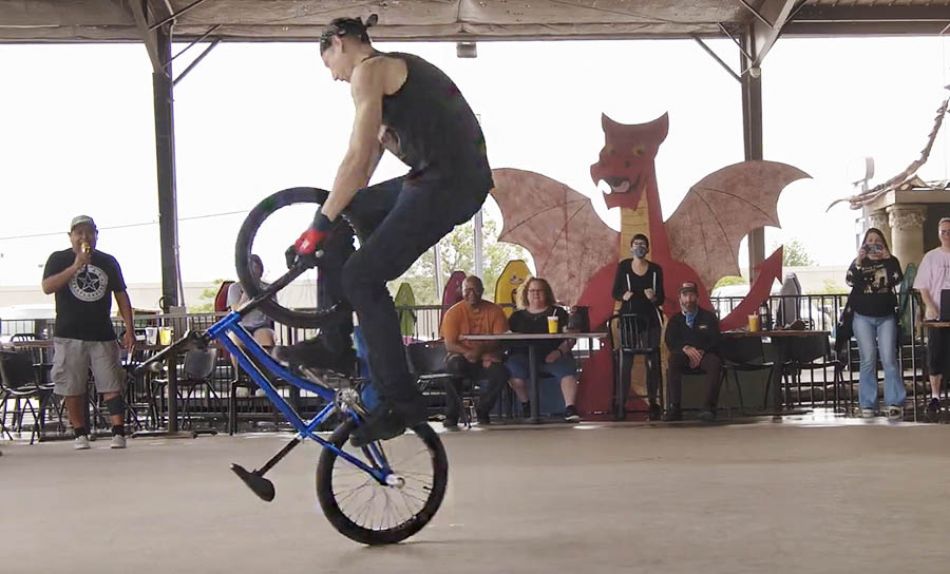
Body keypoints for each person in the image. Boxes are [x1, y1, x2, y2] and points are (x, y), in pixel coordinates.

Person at [282, 15, 493, 446]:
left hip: (446, 181)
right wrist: (331, 222)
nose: (335, 77)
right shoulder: (390, 81)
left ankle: (401, 400)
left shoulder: (370, 70)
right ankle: (334, 340)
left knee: (360, 275)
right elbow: (363, 172)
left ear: (340, 43)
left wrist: (316, 227)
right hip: (441, 176)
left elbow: (355, 158)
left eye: (329, 65)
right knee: (346, 217)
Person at [41, 215, 134, 450]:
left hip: (102, 333)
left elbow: (121, 296)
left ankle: (118, 431)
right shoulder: (58, 259)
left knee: (111, 383)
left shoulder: (108, 261)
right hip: (69, 333)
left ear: (96, 235)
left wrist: (129, 329)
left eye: (89, 232)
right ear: (70, 236)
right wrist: (76, 265)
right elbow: (47, 287)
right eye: (79, 233)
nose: (84, 237)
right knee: (72, 386)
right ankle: (79, 433)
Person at [846, 228, 904, 420]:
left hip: (885, 315)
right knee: (868, 358)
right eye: (869, 241)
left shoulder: (891, 261)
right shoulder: (860, 263)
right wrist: (858, 260)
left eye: (877, 240)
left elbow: (897, 279)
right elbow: (849, 280)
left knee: (888, 358)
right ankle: (867, 403)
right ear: (864, 244)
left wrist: (888, 259)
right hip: (862, 316)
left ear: (883, 243)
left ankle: (894, 402)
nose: (873, 244)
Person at [506, 277, 580, 422]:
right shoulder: (516, 317)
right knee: (513, 372)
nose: (535, 294)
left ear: (546, 293)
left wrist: (558, 352)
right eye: (532, 290)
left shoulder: (558, 313)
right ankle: (526, 406)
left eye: (539, 290)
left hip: (553, 356)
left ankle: (570, 408)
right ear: (526, 294)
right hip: (523, 357)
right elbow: (507, 338)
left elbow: (570, 337)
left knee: (567, 371)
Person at [440, 276, 510, 428]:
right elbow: (450, 344)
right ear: (462, 292)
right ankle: (452, 415)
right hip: (462, 357)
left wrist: (481, 351)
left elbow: (499, 339)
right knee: (453, 366)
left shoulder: (496, 311)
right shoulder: (453, 313)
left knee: (501, 373)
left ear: (482, 291)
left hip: (487, 357)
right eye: (467, 290)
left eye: (475, 289)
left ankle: (483, 410)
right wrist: (468, 353)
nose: (471, 293)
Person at [611, 233, 665, 420]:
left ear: (647, 248)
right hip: (629, 321)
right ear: (631, 247)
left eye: (643, 244)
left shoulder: (656, 270)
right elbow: (615, 292)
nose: (640, 247)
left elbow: (662, 298)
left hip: (650, 320)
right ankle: (621, 404)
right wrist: (622, 296)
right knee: (626, 362)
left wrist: (654, 297)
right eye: (636, 244)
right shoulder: (624, 267)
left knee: (652, 362)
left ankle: (653, 403)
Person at [663, 282, 722, 422]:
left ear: (697, 298)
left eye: (691, 295)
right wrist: (685, 348)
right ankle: (675, 407)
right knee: (673, 361)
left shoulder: (709, 317)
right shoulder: (675, 320)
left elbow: (716, 339)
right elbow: (670, 340)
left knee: (715, 363)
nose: (688, 299)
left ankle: (708, 408)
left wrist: (701, 350)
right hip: (683, 355)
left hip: (704, 355)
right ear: (680, 299)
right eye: (685, 295)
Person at [913, 216, 950, 420]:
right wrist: (930, 305)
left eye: (949, 231)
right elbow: (923, 286)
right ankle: (935, 396)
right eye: (943, 231)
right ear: (938, 234)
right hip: (936, 315)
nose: (946, 235)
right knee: (935, 356)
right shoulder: (931, 257)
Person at [227, 254, 276, 394]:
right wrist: (246, 294)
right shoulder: (235, 288)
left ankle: (265, 382)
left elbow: (274, 311)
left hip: (261, 324)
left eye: (256, 269)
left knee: (265, 341)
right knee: (236, 342)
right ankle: (241, 381)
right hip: (241, 325)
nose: (253, 272)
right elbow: (236, 310)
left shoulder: (268, 288)